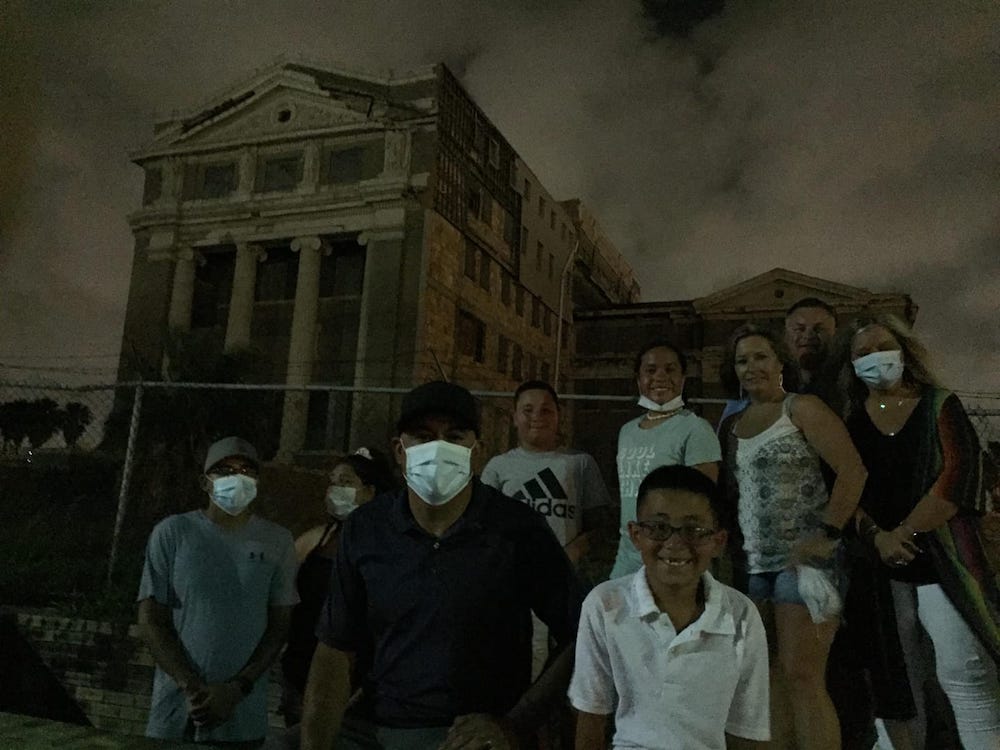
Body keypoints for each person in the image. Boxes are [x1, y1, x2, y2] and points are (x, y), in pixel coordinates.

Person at [300, 381, 582, 750]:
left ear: (475, 452)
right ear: (399, 451)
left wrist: (515, 725)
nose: (438, 448)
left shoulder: (515, 529)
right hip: (379, 727)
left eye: (454, 436)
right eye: (423, 436)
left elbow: (582, 630)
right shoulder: (366, 529)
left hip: (469, 737)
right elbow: (335, 650)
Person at [838, 314, 1000, 750]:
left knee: (965, 673)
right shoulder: (851, 424)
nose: (875, 358)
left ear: (904, 352)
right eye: (863, 354)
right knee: (898, 684)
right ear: (851, 367)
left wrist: (905, 531)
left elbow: (958, 476)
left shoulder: (939, 405)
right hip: (884, 569)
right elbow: (847, 492)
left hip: (943, 560)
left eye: (882, 347)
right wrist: (879, 538)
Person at [719, 324, 867, 750]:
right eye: (742, 360)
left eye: (761, 356)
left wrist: (826, 532)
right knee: (768, 676)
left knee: (804, 677)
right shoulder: (733, 424)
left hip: (806, 565)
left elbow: (853, 471)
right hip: (756, 567)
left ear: (780, 361)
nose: (751, 367)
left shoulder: (801, 408)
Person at [569, 464, 770, 750]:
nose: (675, 543)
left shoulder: (740, 615)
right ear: (636, 534)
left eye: (693, 530)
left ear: (717, 541)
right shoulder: (605, 605)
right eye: (659, 528)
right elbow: (591, 718)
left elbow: (747, 730)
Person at [137, 436, 298, 748]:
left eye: (246, 470)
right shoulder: (172, 533)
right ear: (204, 482)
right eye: (224, 470)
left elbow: (279, 626)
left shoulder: (278, 541)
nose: (236, 477)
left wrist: (237, 689)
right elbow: (151, 618)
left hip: (243, 719)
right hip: (177, 714)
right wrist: (191, 687)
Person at [280, 448, 396, 728]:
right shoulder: (314, 540)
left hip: (358, 686)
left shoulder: (389, 549)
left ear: (370, 491)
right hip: (302, 677)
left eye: (345, 482)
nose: (335, 489)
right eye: (333, 482)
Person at [610, 338, 721, 580]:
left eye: (670, 369)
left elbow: (703, 501)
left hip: (671, 553)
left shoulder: (695, 429)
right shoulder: (627, 431)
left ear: (682, 379)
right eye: (650, 370)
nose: (660, 376)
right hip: (628, 554)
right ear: (639, 379)